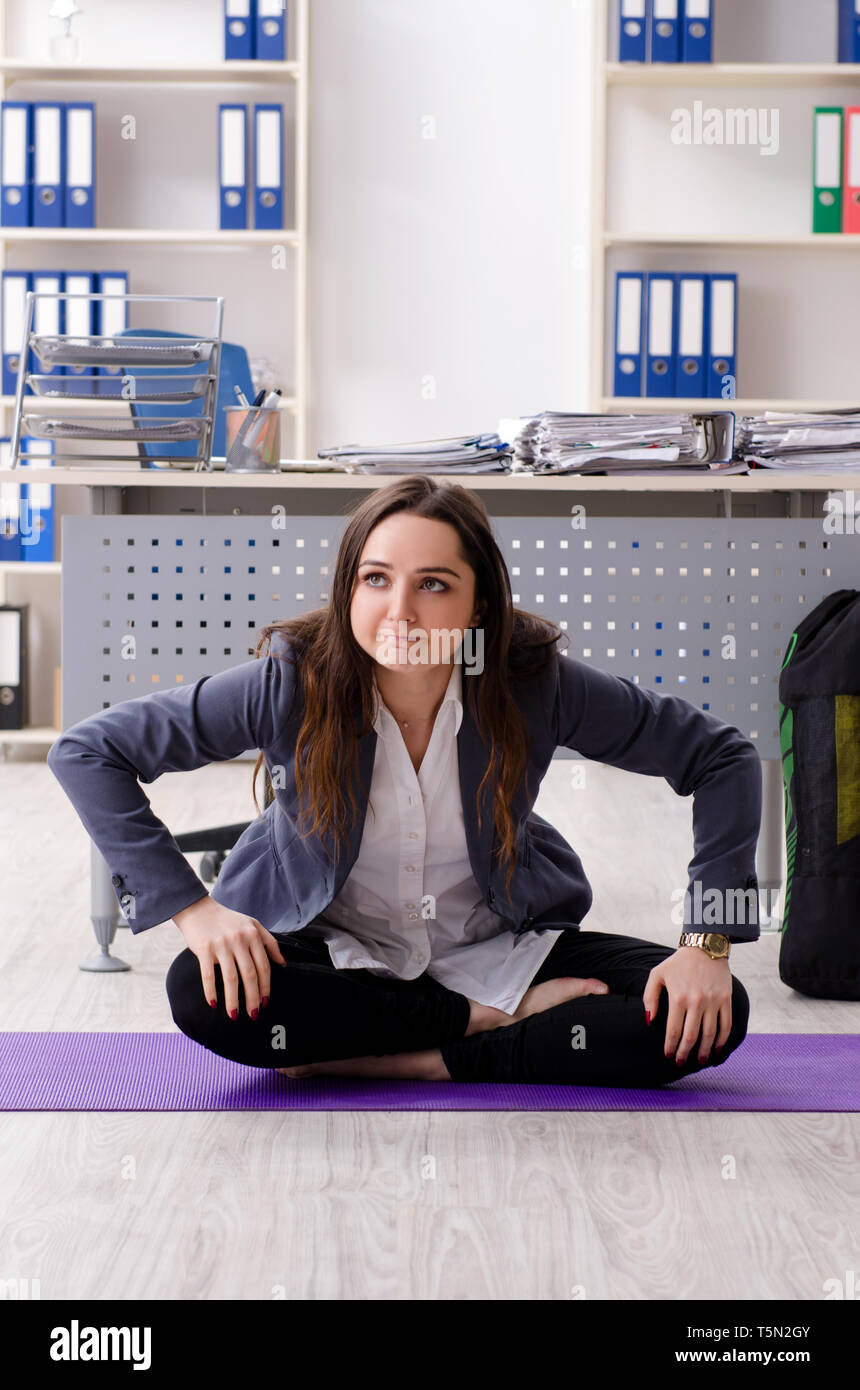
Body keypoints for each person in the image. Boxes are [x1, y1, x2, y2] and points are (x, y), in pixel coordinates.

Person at [48, 476, 759, 1087]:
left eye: (435, 585)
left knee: (707, 1014)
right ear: (348, 587)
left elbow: (722, 757)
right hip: (329, 948)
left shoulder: (533, 683)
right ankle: (487, 1030)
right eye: (377, 579)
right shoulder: (289, 682)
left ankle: (396, 1061)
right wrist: (193, 911)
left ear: (480, 604)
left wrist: (708, 943)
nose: (400, 612)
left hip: (496, 943)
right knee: (199, 994)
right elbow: (88, 753)